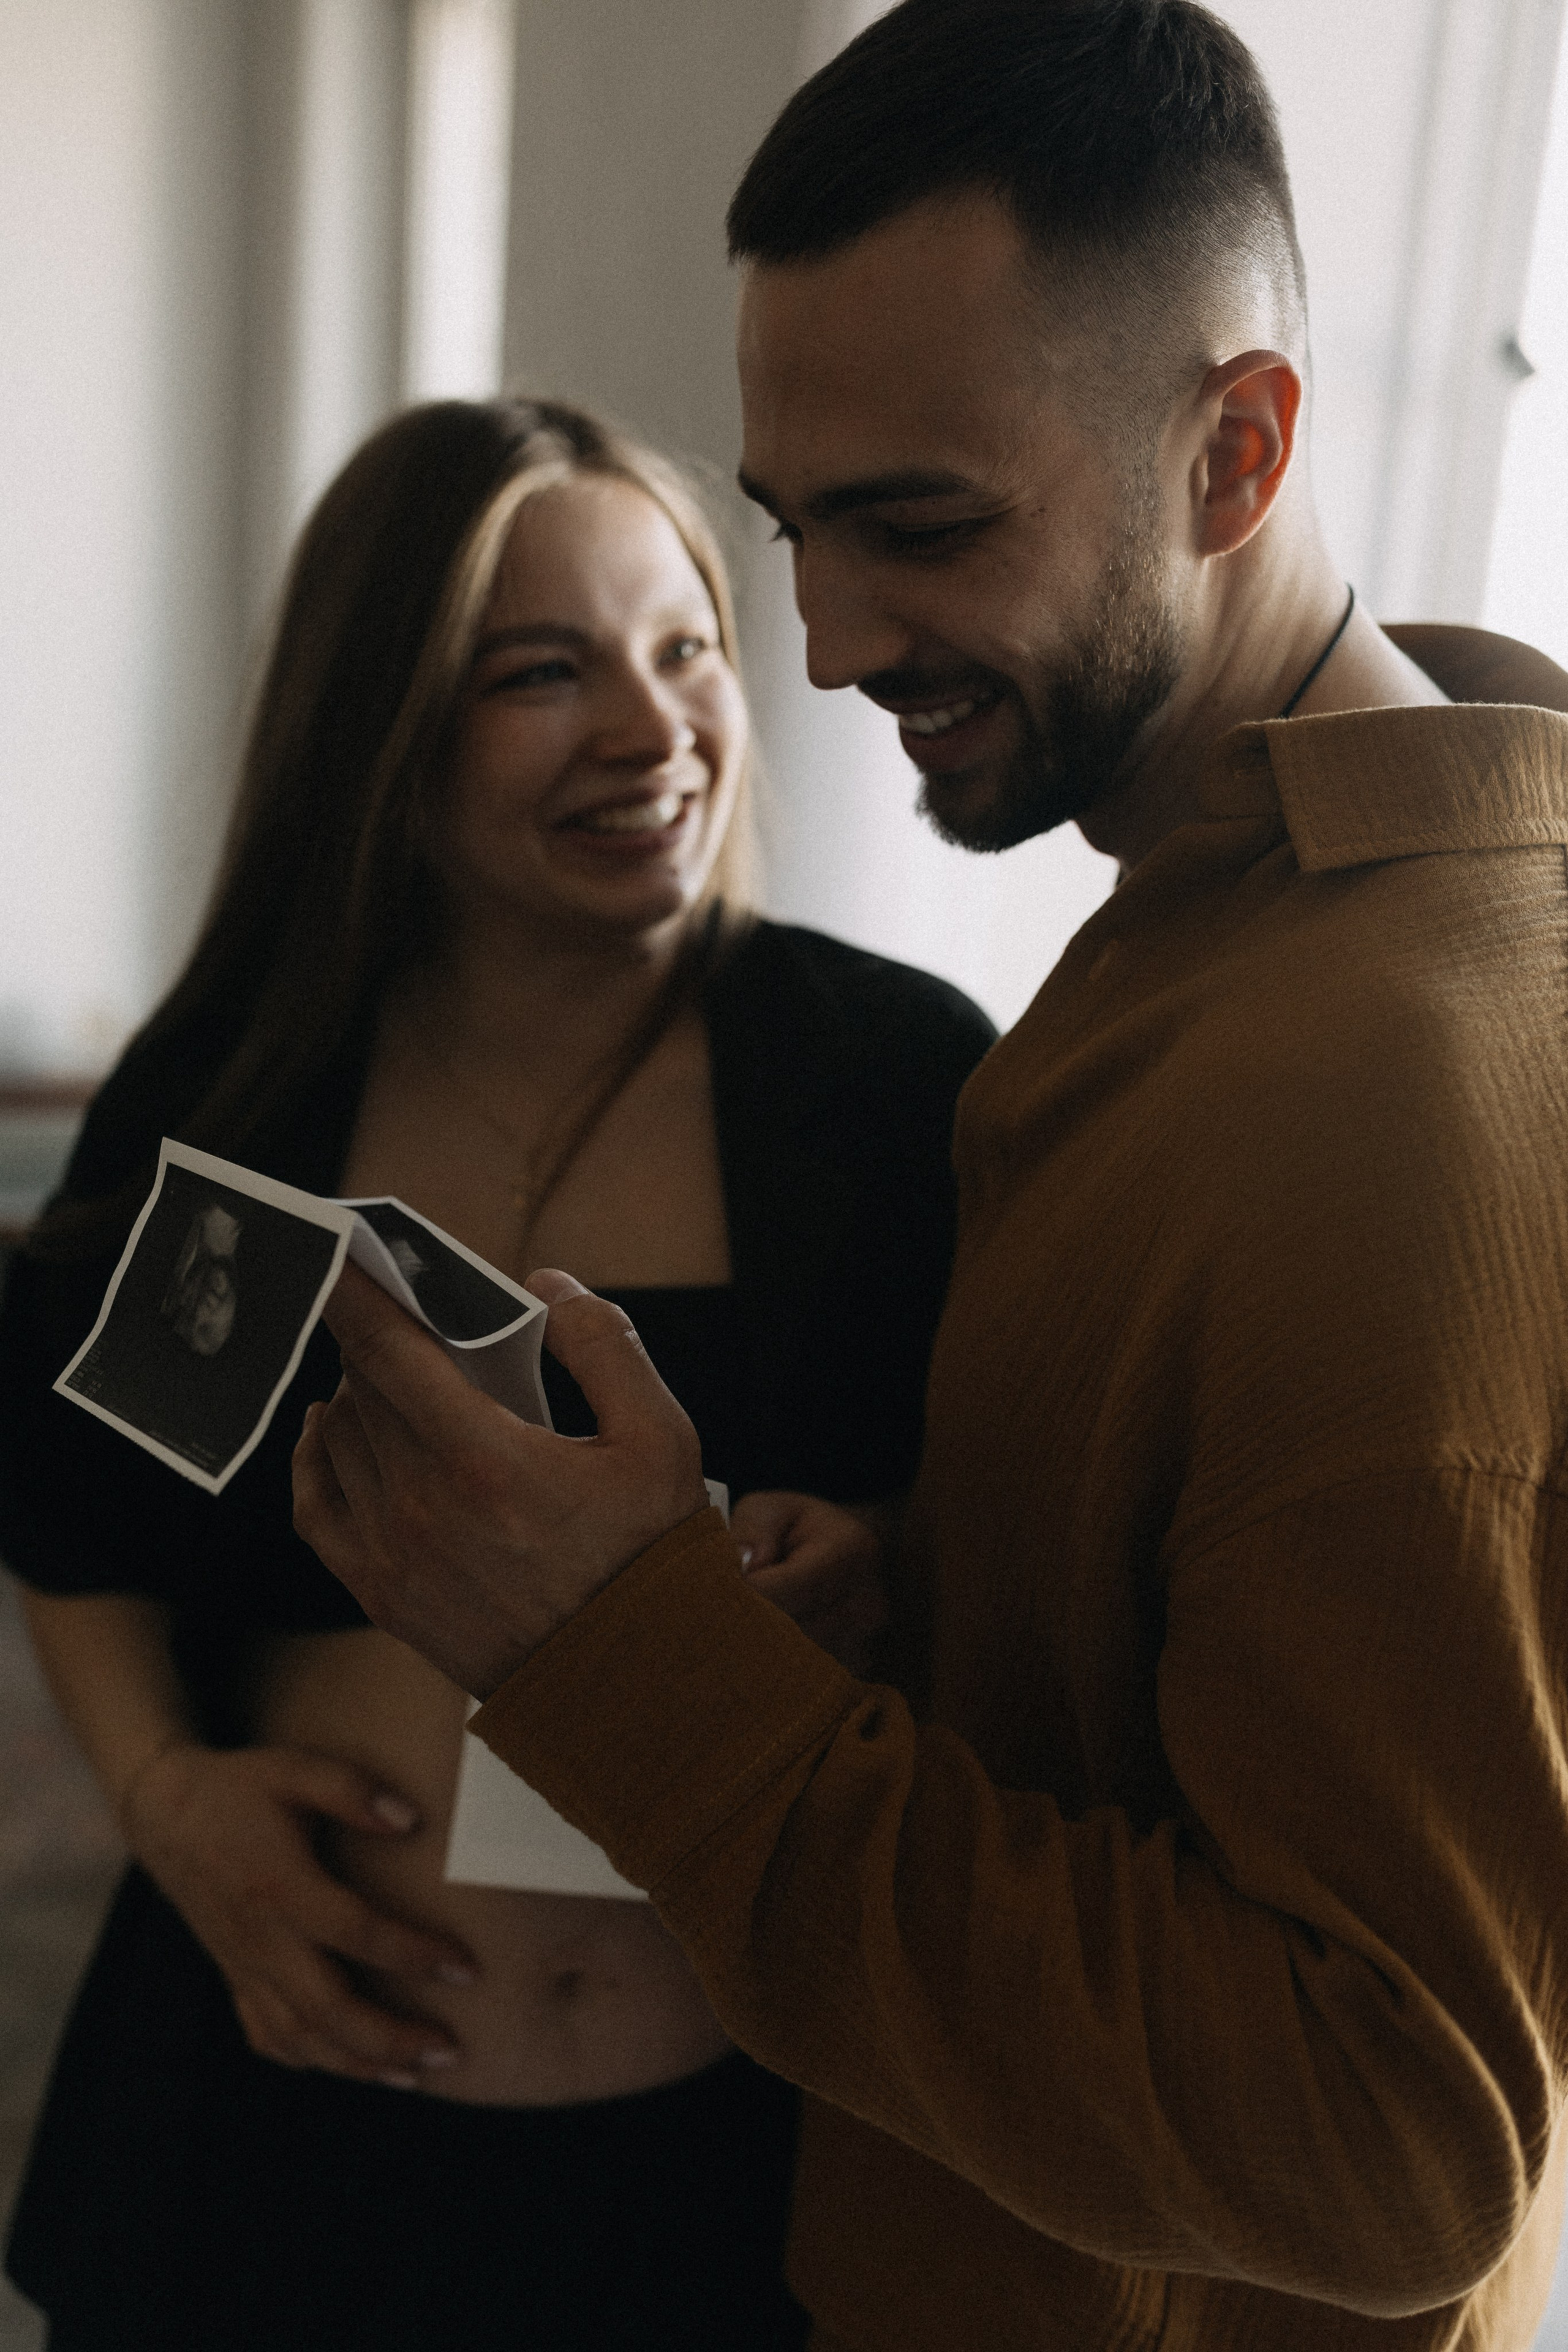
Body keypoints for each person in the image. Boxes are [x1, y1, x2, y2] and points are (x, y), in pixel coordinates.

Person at [290, 6, 1568, 2350]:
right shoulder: (1249, 907)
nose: (828, 642)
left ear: (1237, 445)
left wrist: (626, 1670)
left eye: (923, 524)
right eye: (795, 526)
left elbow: (1399, 2133)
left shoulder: (1390, 1091)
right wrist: (932, 1606)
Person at [0, 395, 996, 2350]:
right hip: (255, 2137)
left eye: (686, 645)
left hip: (732, 2175)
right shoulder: (245, 1085)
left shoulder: (891, 1083)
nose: (653, 729)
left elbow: (1048, 1525)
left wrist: (889, 1552)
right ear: (387, 726)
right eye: (541, 671)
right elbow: (63, 1508)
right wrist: (170, 1799)